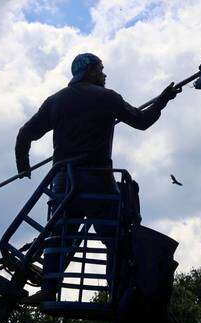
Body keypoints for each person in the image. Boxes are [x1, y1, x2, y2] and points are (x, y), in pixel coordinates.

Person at [15, 53, 181, 303]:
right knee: (117, 238)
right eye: (101, 69)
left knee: (59, 235)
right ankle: (121, 290)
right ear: (91, 71)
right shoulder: (107, 97)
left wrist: (23, 165)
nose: (104, 74)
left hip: (64, 182)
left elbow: (25, 134)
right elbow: (142, 121)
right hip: (97, 182)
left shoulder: (56, 101)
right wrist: (163, 101)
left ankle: (49, 289)